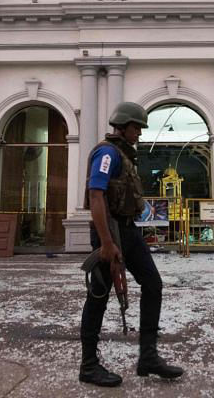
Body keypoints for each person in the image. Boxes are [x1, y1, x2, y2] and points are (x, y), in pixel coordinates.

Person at [79, 102, 184, 388]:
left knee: (153, 284)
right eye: (136, 127)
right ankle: (88, 365)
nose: (139, 133)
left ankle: (148, 357)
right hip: (110, 232)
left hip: (129, 231)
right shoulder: (107, 153)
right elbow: (96, 195)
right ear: (123, 126)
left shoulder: (124, 155)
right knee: (98, 298)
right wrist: (106, 242)